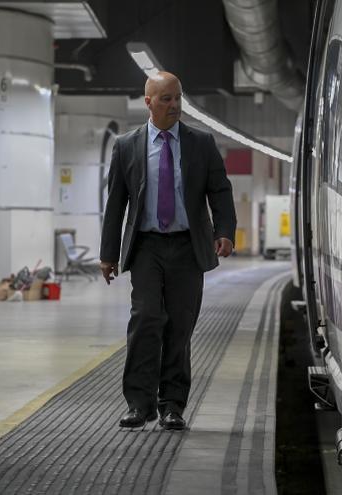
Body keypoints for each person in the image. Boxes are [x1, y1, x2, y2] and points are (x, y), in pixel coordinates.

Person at [99, 71, 236, 430]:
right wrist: (108, 254)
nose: (175, 105)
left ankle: (172, 405)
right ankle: (138, 404)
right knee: (144, 319)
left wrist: (224, 231)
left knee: (179, 326)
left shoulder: (201, 143)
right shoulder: (127, 145)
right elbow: (116, 204)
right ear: (148, 102)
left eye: (178, 98)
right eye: (166, 99)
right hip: (146, 247)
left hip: (187, 246)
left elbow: (219, 191)